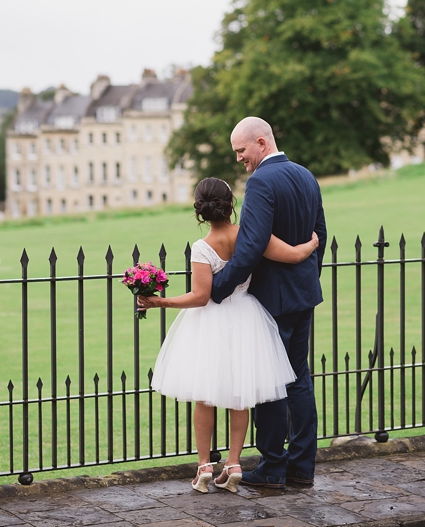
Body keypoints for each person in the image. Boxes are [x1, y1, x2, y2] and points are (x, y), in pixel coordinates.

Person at [138, 177, 318, 493]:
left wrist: (158, 301)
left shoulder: (201, 248)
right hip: (248, 317)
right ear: (230, 204)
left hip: (209, 323)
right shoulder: (250, 235)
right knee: (241, 392)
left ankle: (205, 465)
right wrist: (312, 244)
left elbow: (200, 296)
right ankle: (234, 463)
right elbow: (291, 255)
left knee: (205, 396)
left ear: (200, 212)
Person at [210, 117, 328, 489]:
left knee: (271, 380)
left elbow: (250, 246)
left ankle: (274, 467)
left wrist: (218, 287)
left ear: (261, 142)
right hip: (303, 295)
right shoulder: (306, 175)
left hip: (271, 300)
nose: (240, 159)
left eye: (241, 151)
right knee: (298, 378)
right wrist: (307, 277)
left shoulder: (261, 181)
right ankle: (302, 468)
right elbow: (320, 234)